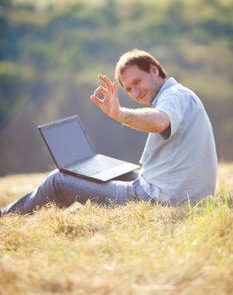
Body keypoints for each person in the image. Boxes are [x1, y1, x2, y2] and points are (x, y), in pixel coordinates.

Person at [0, 49, 217, 216]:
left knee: (58, 180)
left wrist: (120, 114)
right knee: (110, 171)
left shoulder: (173, 97)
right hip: (179, 191)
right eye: (128, 89)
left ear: (153, 69)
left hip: (165, 198)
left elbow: (160, 121)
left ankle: (5, 217)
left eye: (137, 82)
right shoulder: (181, 94)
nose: (135, 92)